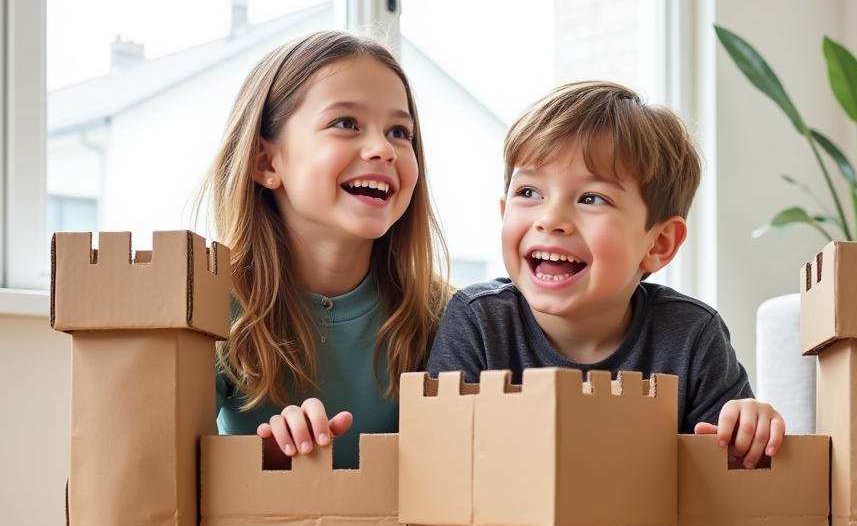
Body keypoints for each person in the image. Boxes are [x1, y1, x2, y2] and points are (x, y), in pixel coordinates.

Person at [426, 81, 785, 468]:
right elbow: (439, 463)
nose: (550, 220)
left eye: (592, 199)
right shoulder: (479, 322)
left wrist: (750, 431)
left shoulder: (691, 336)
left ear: (659, 243)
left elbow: (739, 483)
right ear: (503, 213)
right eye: (529, 192)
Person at [202, 30, 449, 468]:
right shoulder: (211, 308)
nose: (382, 149)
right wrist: (266, 464)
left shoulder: (443, 314)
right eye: (346, 123)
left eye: (399, 131)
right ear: (266, 162)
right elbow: (173, 474)